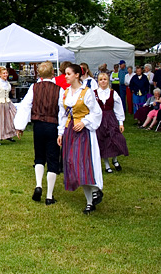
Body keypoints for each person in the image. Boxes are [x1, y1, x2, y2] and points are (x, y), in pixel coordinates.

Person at [14, 62, 62, 204]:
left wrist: (20, 126)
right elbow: (62, 111)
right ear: (53, 73)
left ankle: (39, 185)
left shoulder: (34, 88)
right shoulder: (59, 90)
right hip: (52, 125)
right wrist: (62, 130)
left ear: (39, 74)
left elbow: (25, 106)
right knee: (53, 158)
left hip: (38, 126)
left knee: (39, 156)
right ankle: (49, 196)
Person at [58, 64, 104, 214]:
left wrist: (84, 122)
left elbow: (97, 112)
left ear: (77, 75)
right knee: (73, 164)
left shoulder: (87, 92)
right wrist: (60, 132)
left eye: (69, 74)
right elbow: (63, 114)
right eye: (65, 74)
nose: (66, 76)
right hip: (70, 131)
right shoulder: (65, 93)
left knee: (83, 164)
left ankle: (94, 193)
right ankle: (91, 198)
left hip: (84, 133)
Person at [94, 72, 128, 174]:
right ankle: (107, 164)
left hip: (110, 118)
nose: (103, 81)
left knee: (115, 138)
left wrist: (120, 122)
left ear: (108, 80)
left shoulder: (113, 93)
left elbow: (118, 108)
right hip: (99, 119)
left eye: (105, 79)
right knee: (103, 141)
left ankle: (115, 159)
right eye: (101, 80)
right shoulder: (94, 93)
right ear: (98, 81)